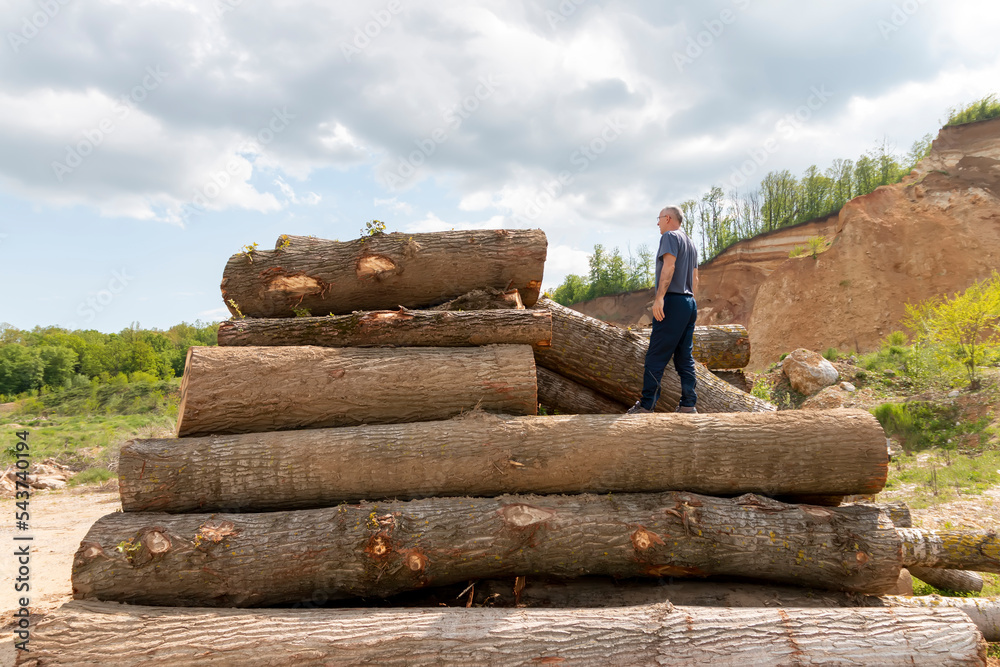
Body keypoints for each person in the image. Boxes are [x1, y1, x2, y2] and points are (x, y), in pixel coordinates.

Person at [627, 205, 699, 414]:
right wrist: (690, 303)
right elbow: (695, 278)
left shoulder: (670, 237)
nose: (657, 223)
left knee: (655, 356)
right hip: (689, 301)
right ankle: (688, 404)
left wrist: (659, 298)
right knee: (684, 357)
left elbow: (669, 267)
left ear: (668, 218)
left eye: (659, 219)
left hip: (673, 301)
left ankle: (647, 405)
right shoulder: (691, 244)